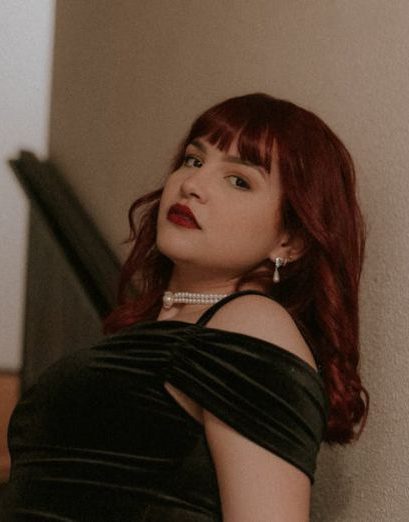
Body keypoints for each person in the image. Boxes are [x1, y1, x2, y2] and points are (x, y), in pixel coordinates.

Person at [1, 93, 368, 521]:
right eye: (194, 160)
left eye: (239, 180)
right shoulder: (166, 327)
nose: (192, 184)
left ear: (290, 239)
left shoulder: (254, 323)